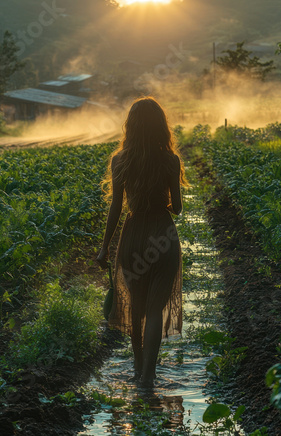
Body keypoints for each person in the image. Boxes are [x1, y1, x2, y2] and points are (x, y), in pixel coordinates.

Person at [97, 96, 186, 387]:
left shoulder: (120, 160)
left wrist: (104, 247)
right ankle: (149, 375)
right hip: (163, 235)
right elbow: (178, 207)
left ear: (130, 127)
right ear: (161, 126)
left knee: (136, 309)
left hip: (133, 236)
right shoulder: (171, 161)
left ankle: (137, 369)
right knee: (155, 310)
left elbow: (115, 208)